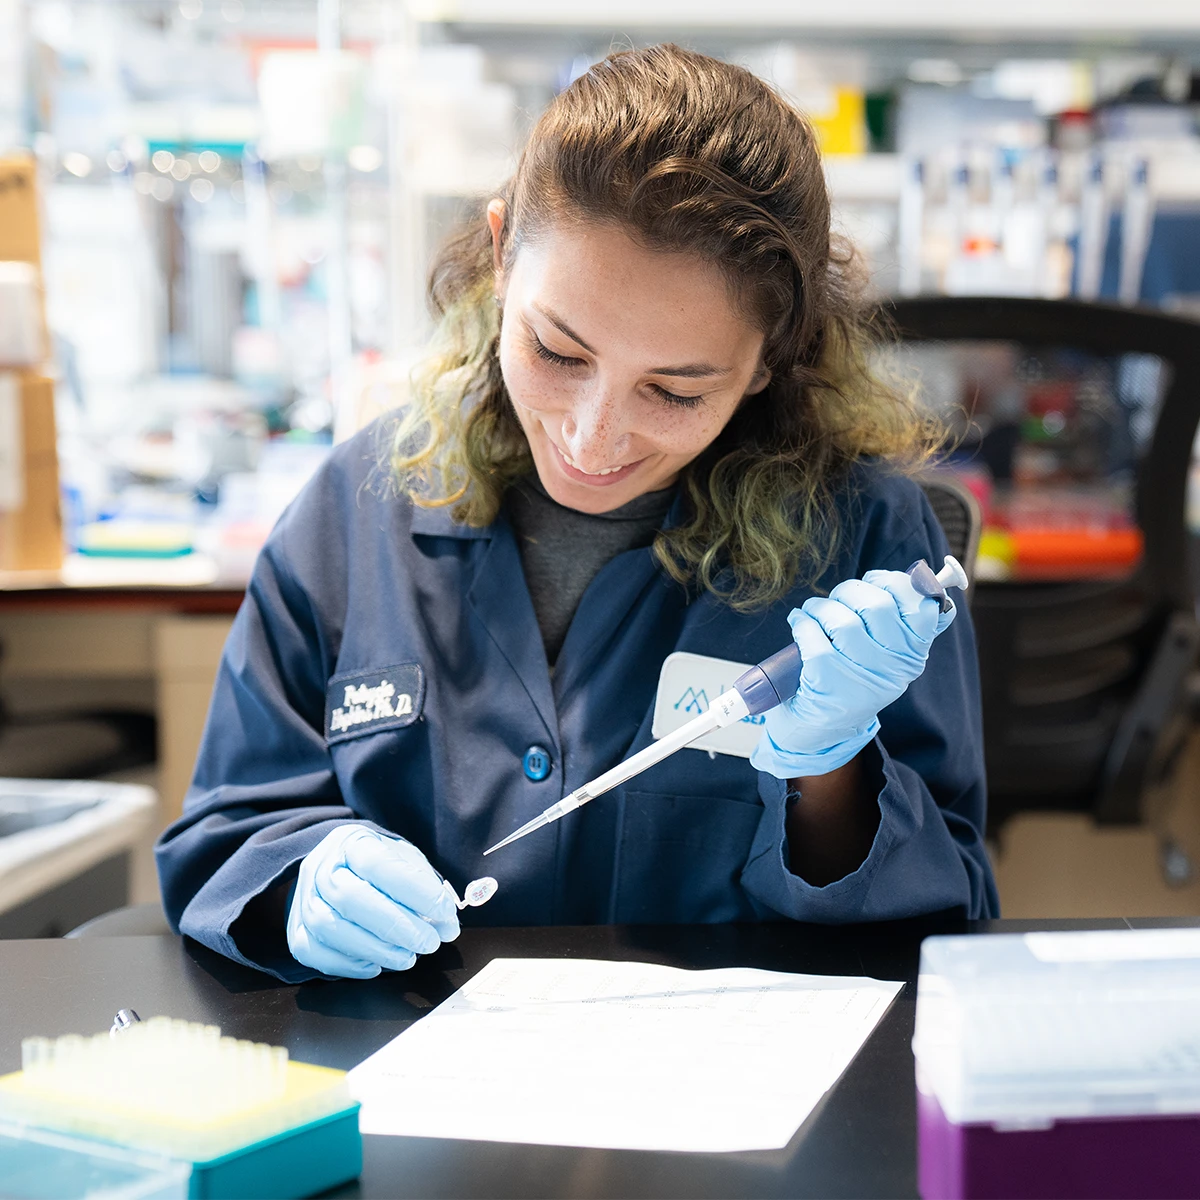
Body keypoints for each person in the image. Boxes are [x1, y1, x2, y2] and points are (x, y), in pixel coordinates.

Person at [157, 44, 998, 982]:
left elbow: (950, 903)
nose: (594, 441)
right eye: (558, 352)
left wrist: (831, 772)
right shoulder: (358, 509)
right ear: (500, 250)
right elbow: (229, 828)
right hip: (420, 1096)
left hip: (727, 1103)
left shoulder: (864, 538)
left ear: (770, 358)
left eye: (675, 392)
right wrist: (303, 877)